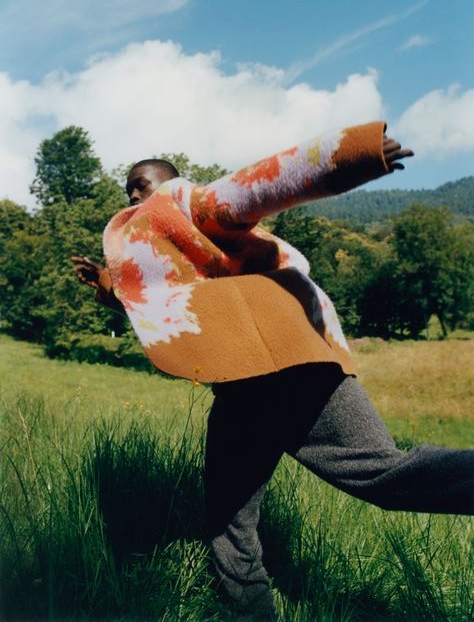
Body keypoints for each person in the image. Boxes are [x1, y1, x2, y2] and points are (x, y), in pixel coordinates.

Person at [72, 123, 473, 620]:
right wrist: (109, 287)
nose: (135, 194)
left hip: (294, 368)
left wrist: (352, 155)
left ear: (174, 184)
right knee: (227, 518)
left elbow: (257, 184)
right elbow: (169, 304)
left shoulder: (192, 205)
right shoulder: (159, 247)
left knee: (381, 475)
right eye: (129, 188)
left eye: (144, 184)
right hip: (243, 387)